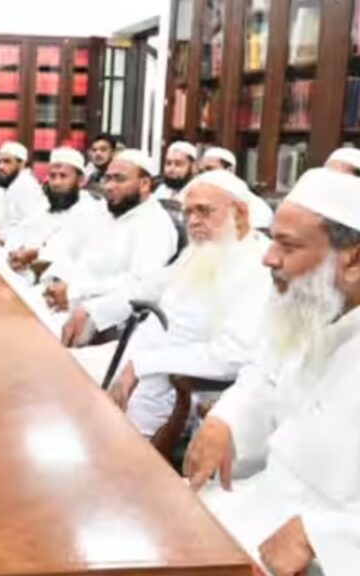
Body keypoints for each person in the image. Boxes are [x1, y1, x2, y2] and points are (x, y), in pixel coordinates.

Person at [184, 168, 360, 576]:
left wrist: (325, 535)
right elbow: (263, 376)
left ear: (352, 260)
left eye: (287, 245)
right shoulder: (312, 306)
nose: (268, 257)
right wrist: (225, 419)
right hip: (263, 503)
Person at [63, 170, 271, 437]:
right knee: (55, 370)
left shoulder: (258, 265)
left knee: (84, 430)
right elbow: (149, 287)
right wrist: (91, 310)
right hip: (134, 358)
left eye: (204, 211)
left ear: (240, 214)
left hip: (170, 385)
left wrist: (144, 364)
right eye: (189, 213)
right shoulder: (205, 248)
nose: (193, 221)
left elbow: (232, 355)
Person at [42, 149, 179, 313]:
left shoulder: (156, 223)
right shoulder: (101, 210)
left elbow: (139, 285)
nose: (109, 186)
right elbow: (65, 247)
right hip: (63, 301)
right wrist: (56, 281)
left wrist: (74, 291)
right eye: (107, 178)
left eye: (119, 179)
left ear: (144, 184)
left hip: (101, 314)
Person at [3, 147, 105, 280]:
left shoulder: (90, 210)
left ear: (80, 180)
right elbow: (20, 230)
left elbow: (71, 252)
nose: (56, 183)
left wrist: (36, 255)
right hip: (27, 276)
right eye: (52, 176)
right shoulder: (43, 205)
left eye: (63, 176)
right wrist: (15, 251)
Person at [199, 146, 274, 229]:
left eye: (210, 169)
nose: (204, 175)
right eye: (201, 171)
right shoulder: (196, 201)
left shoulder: (257, 206)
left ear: (229, 170)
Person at [0, 141, 47, 236]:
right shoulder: (11, 182)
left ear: (22, 164)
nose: (0, 167)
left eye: (7, 162)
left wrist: (0, 236)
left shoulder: (26, 185)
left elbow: (31, 227)